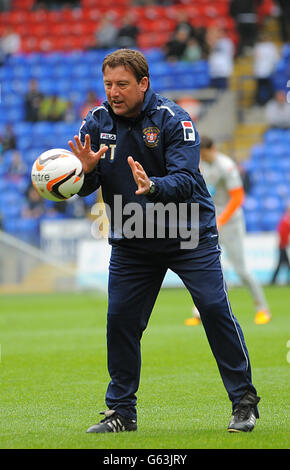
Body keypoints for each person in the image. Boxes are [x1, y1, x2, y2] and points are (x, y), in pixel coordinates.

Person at [68, 49, 260, 434]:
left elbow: (187, 181)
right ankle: (122, 413)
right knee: (120, 320)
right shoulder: (97, 121)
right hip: (133, 237)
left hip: (186, 232)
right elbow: (85, 185)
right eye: (108, 84)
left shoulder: (176, 120)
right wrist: (85, 175)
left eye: (122, 84)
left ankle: (244, 402)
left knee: (212, 307)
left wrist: (153, 186)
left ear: (143, 83)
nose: (114, 92)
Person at [185, 136, 271, 327]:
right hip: (210, 222)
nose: (202, 156)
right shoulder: (202, 166)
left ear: (212, 149)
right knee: (205, 267)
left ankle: (262, 309)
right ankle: (199, 312)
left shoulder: (226, 166)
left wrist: (222, 219)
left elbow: (238, 197)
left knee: (241, 270)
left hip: (230, 223)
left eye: (204, 152)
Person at [253, 33, 280, 106]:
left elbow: (276, 59)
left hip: (269, 71)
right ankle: (261, 102)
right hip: (261, 71)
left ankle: (269, 102)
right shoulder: (258, 46)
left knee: (269, 87)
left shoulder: (271, 46)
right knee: (261, 88)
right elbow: (256, 60)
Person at [271, 205, 290, 284]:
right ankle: (273, 280)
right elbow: (283, 234)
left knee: (282, 264)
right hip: (284, 246)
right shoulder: (286, 220)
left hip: (283, 245)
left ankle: (273, 280)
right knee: (281, 264)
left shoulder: (285, 219)